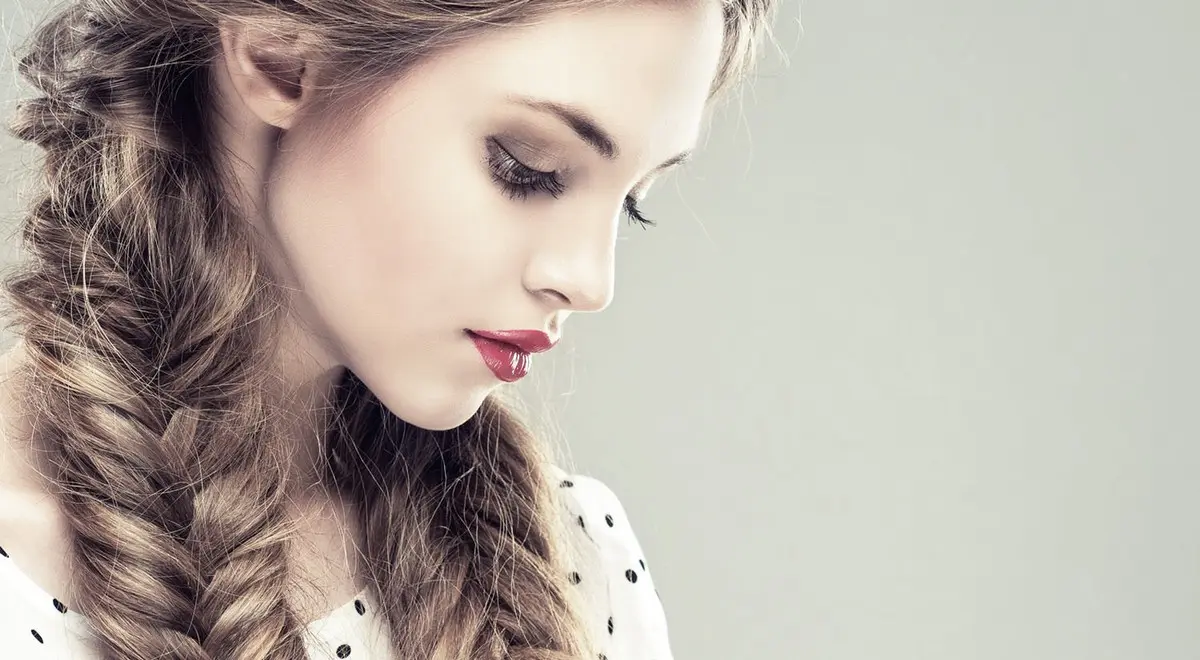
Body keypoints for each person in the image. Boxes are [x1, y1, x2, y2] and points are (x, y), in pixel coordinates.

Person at [0, 0, 776, 657]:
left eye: (633, 202)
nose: (589, 281)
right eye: (526, 166)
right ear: (279, 59)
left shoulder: (578, 560)